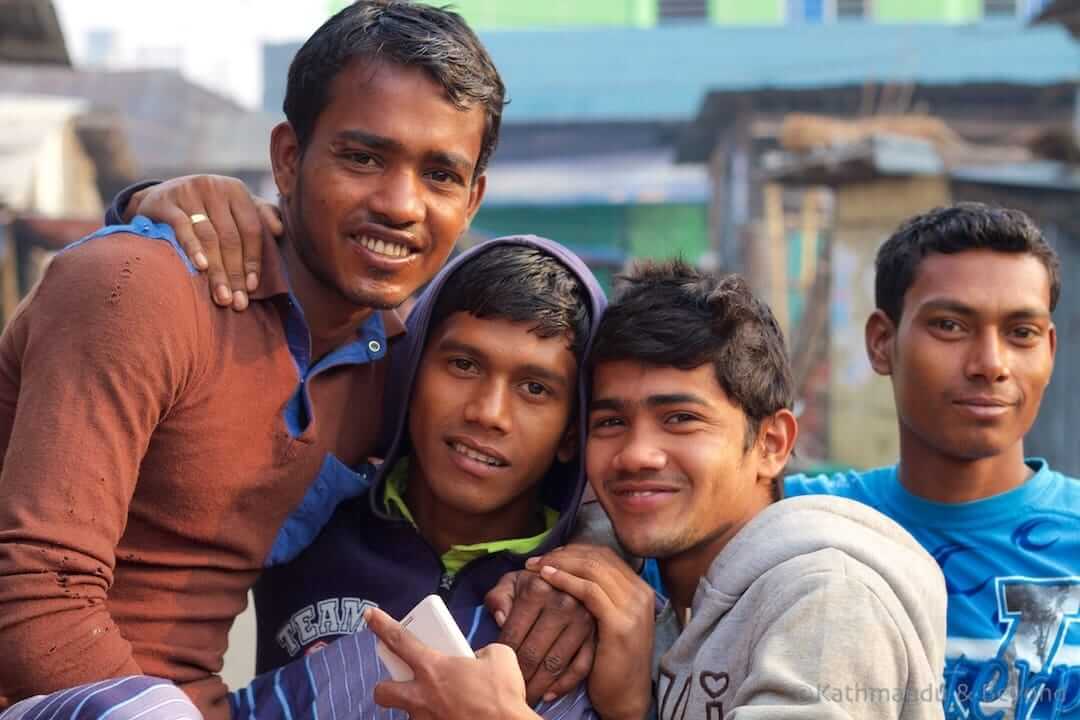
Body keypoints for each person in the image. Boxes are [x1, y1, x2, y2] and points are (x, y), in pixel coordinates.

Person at [0, 2, 579, 718]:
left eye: (439, 175)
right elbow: (32, 600)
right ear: (288, 157)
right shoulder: (142, 289)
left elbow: (568, 461)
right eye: (363, 157)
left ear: (472, 200)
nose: (401, 204)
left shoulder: (396, 368)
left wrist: (593, 571)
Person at [363, 260, 949, 720]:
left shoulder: (824, 597)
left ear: (771, 443)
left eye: (680, 420)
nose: (638, 455)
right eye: (611, 422)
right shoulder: (657, 598)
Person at [228, 236, 603, 719]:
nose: (488, 414)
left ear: (572, 431)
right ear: (411, 374)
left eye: (535, 388)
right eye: (463, 365)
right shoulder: (310, 520)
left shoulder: (592, 598)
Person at [785, 203, 1080, 720]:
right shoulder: (805, 528)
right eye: (949, 325)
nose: (990, 364)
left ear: (1050, 352)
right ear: (882, 343)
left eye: (1022, 333)